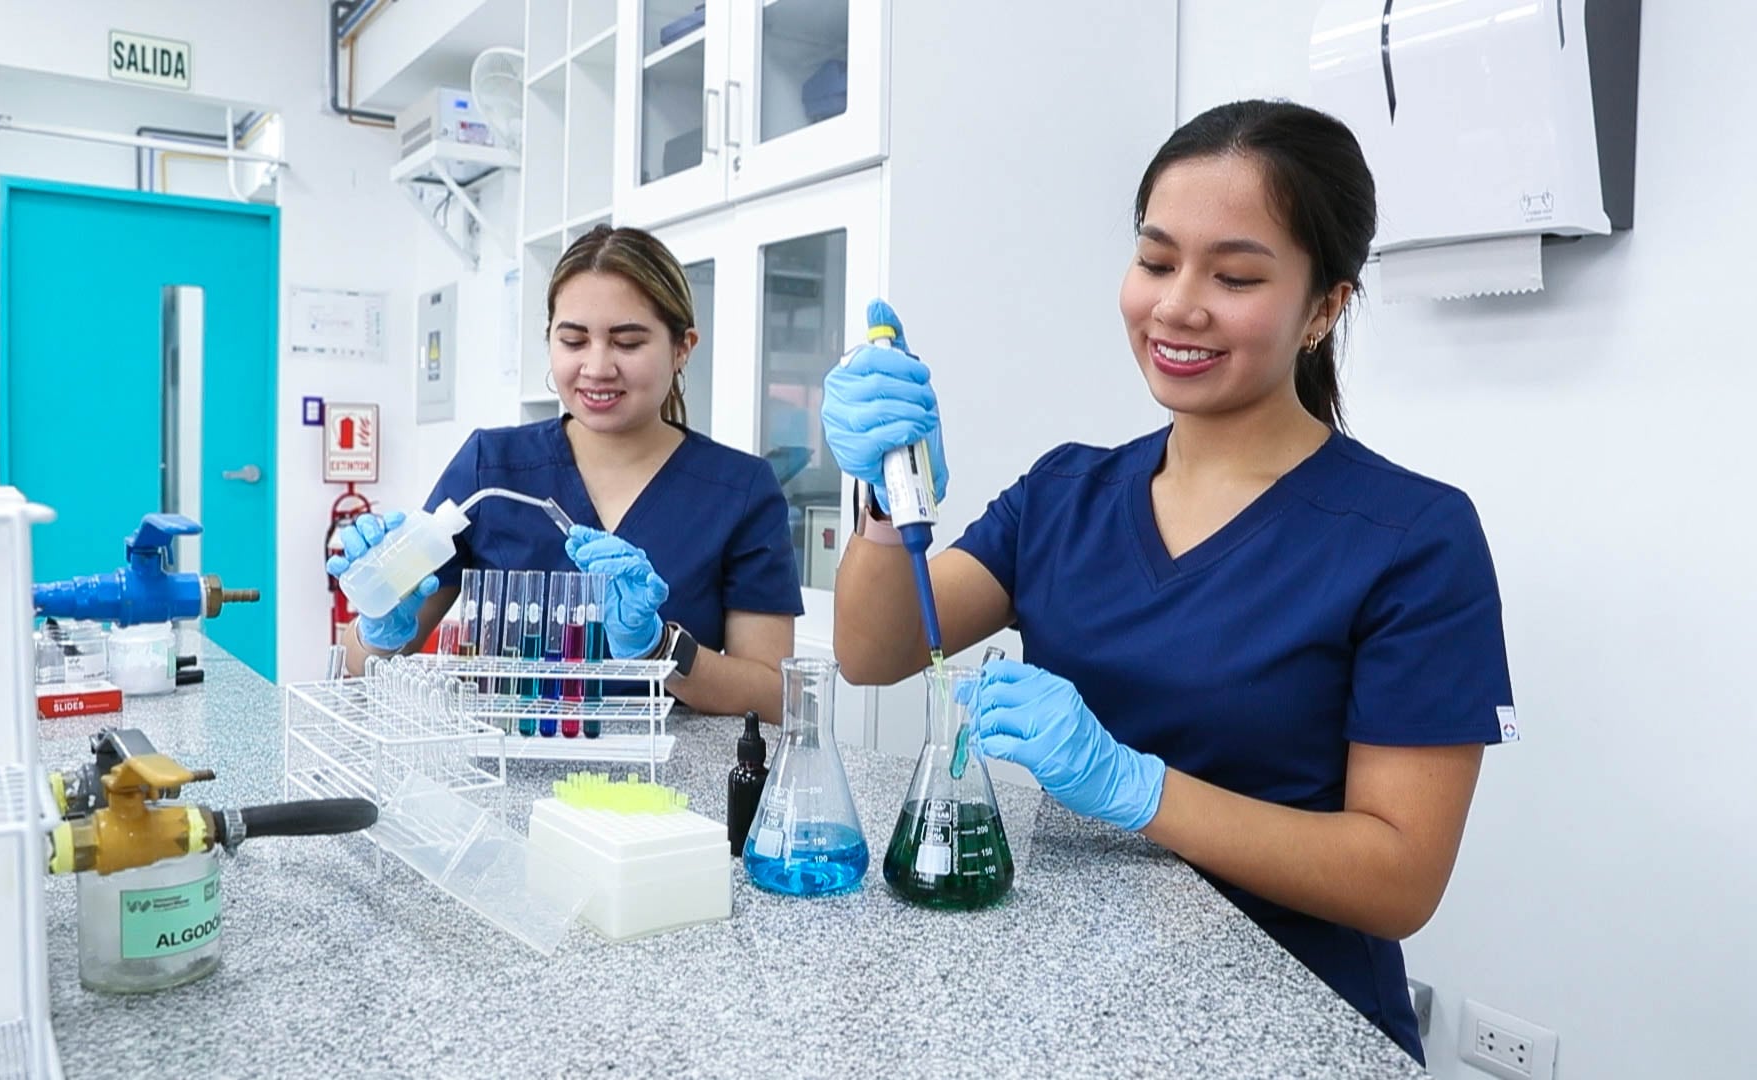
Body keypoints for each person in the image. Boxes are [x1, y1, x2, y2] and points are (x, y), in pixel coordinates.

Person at [821, 100, 1513, 1063]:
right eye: (1155, 261)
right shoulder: (1068, 491)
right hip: (1065, 995)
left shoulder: (1413, 538)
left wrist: (1137, 788)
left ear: (1325, 307)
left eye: (1234, 276)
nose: (1177, 304)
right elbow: (877, 650)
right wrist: (882, 495)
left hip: (1286, 1025)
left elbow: (1399, 876)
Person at [329, 225, 802, 721]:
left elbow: (775, 697)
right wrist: (376, 628)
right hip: (502, 775)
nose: (597, 367)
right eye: (574, 340)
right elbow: (363, 669)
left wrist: (660, 647)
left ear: (683, 347)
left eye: (628, 342)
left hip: (667, 788)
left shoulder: (741, 490)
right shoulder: (490, 466)